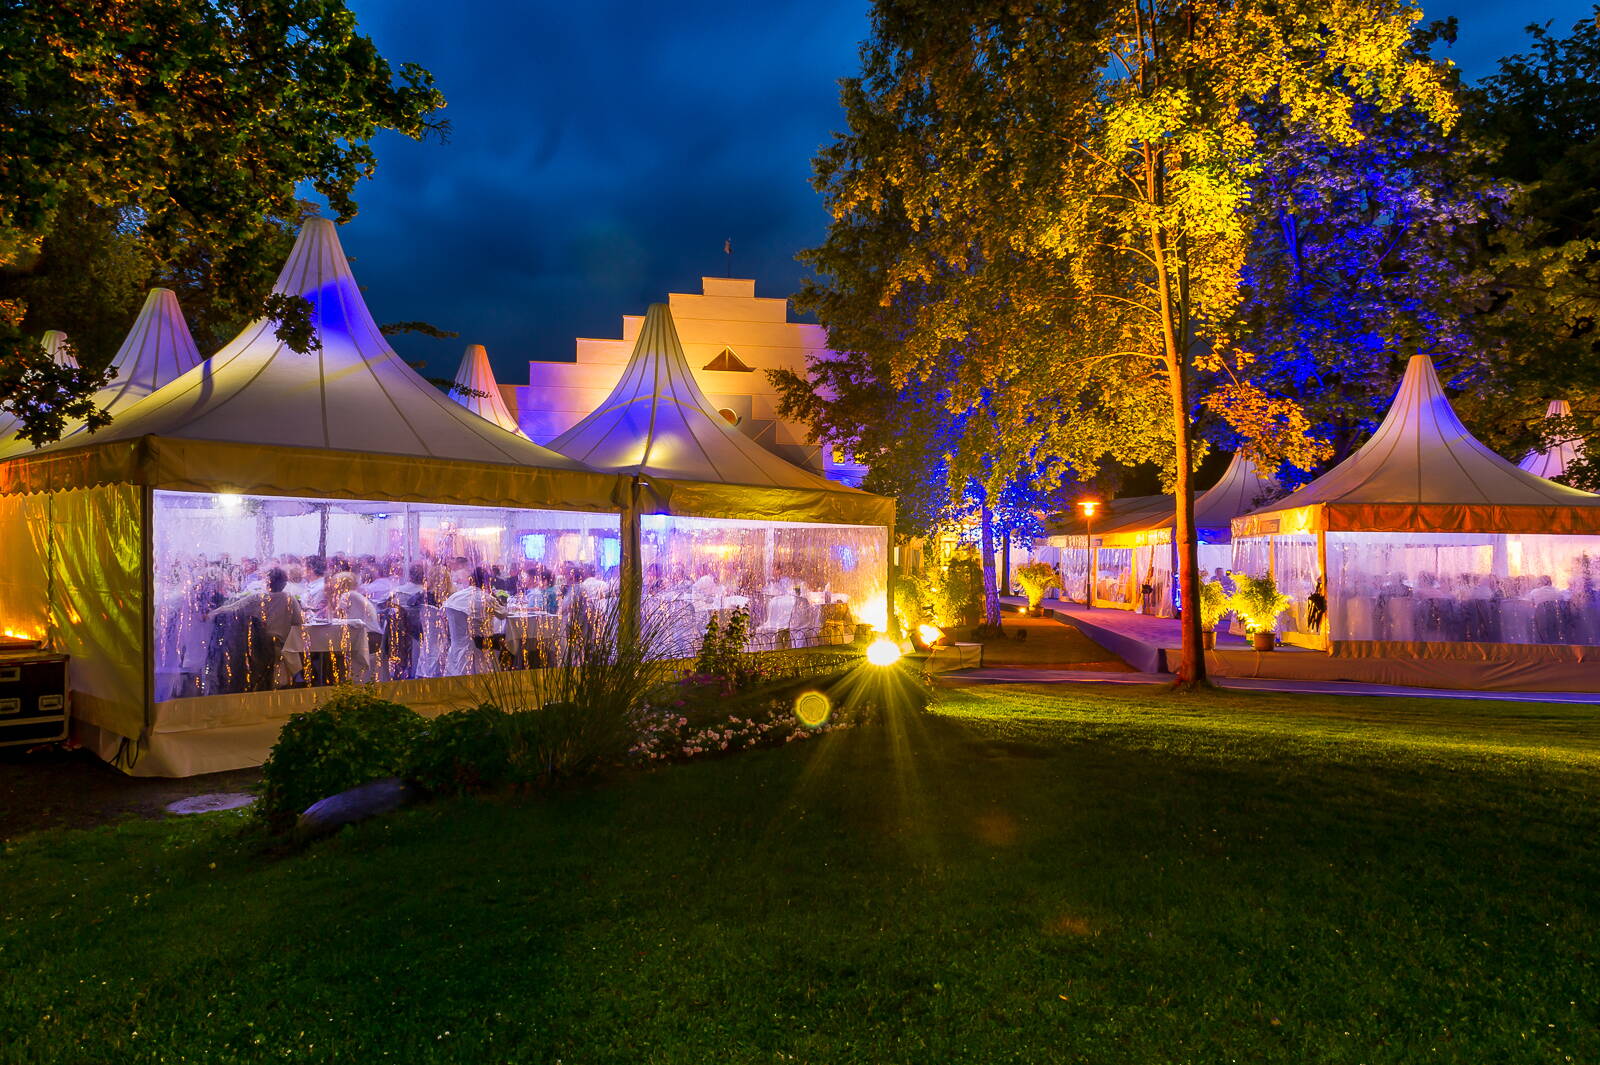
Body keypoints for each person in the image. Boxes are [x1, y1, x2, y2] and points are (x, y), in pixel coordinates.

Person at [443, 566, 506, 675]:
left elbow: (443, 615)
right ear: (487, 583)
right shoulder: (486, 598)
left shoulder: (453, 597)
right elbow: (503, 614)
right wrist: (492, 594)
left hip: (456, 649)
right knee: (503, 640)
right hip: (480, 648)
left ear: (470, 579)